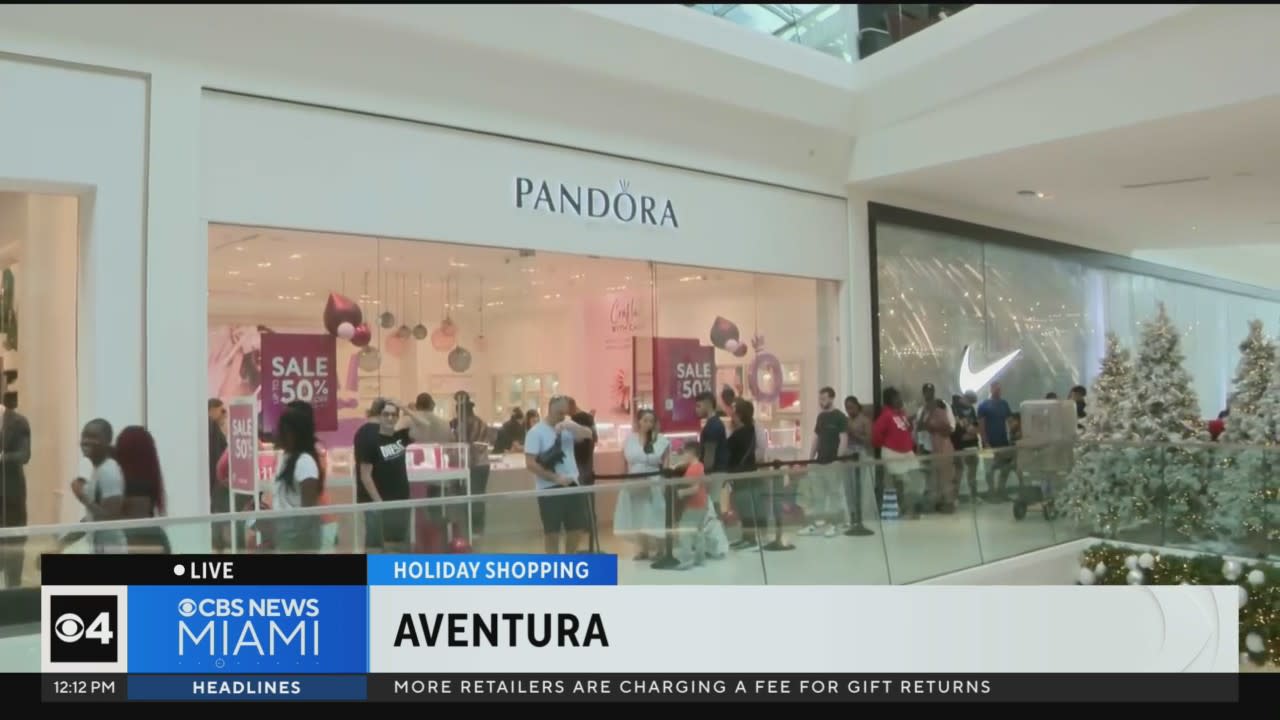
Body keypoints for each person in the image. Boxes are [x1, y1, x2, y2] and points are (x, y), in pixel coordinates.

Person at [524, 396, 594, 554]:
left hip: (572, 484)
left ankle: (568, 561)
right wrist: (555, 478)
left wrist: (571, 426)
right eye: (559, 412)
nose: (562, 415)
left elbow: (588, 434)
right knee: (552, 533)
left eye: (565, 412)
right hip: (548, 487)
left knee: (577, 528)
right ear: (550, 409)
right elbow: (530, 463)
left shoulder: (568, 426)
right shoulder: (536, 432)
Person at [354, 398, 412, 553]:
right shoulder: (368, 435)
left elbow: (422, 425)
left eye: (393, 415)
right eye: (386, 414)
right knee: (380, 546)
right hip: (377, 502)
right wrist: (380, 503)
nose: (390, 418)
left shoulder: (393, 433)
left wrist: (402, 406)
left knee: (389, 546)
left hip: (395, 500)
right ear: (380, 414)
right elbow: (365, 475)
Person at [615, 408, 670, 560]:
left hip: (654, 482)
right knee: (638, 515)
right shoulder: (629, 439)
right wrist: (623, 481)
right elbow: (624, 463)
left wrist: (664, 482)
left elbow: (665, 463)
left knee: (656, 514)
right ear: (639, 421)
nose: (647, 424)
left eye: (651, 421)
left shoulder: (660, 440)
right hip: (634, 481)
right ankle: (643, 549)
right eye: (645, 420)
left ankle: (661, 549)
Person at [71, 419, 127, 553]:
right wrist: (62, 542)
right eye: (84, 436)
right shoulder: (99, 469)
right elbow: (92, 517)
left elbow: (111, 517)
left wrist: (82, 496)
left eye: (93, 437)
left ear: (107, 442)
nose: (86, 441)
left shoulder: (109, 471)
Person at [272, 405, 323, 552]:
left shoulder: (305, 461)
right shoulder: (285, 458)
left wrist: (296, 540)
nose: (276, 434)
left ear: (292, 434)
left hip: (298, 540)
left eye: (281, 430)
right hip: (285, 535)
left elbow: (308, 510)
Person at [114, 426, 171, 553]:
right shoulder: (149, 480)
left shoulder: (127, 484)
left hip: (135, 543)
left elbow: (101, 515)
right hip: (154, 540)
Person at [800, 386, 848, 538]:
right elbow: (816, 438)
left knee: (834, 494)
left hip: (833, 461)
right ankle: (816, 523)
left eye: (825, 398)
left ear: (832, 398)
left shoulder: (840, 417)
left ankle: (835, 524)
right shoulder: (821, 417)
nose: (822, 401)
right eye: (820, 399)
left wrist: (838, 459)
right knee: (818, 495)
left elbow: (843, 439)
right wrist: (810, 458)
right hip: (820, 461)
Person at [0, 377, 31, 586]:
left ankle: (13, 599)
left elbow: (24, 455)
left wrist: (2, 458)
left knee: (13, 552)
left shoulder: (18, 422)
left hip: (9, 497)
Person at [872, 387, 921, 519]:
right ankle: (904, 509)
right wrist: (889, 445)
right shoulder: (885, 416)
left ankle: (910, 508)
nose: (900, 399)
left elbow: (906, 430)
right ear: (890, 400)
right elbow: (876, 436)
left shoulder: (902, 414)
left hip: (907, 452)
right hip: (893, 453)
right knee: (901, 483)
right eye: (897, 397)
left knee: (915, 481)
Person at [672, 441, 717, 568]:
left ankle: (686, 559)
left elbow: (694, 488)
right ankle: (700, 558)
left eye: (685, 453)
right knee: (698, 532)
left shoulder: (692, 469)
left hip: (693, 505)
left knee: (684, 531)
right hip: (702, 504)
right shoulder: (700, 466)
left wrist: (681, 492)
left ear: (691, 453)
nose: (683, 456)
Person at [726, 398, 763, 550]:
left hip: (741, 475)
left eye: (734, 413)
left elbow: (728, 453)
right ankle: (747, 537)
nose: (731, 416)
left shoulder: (738, 435)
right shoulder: (752, 431)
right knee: (746, 507)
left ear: (739, 415)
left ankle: (750, 539)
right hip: (750, 473)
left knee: (744, 507)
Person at [453, 394, 492, 539]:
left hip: (474, 465)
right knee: (476, 497)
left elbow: (478, 447)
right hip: (479, 465)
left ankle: (472, 529)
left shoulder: (460, 424)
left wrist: (465, 459)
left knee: (472, 498)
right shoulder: (479, 423)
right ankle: (475, 530)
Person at [566, 397, 599, 551]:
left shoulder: (576, 420)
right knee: (588, 495)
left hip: (580, 462)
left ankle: (585, 526)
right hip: (587, 462)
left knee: (581, 496)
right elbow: (595, 438)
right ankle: (590, 525)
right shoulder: (588, 417)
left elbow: (577, 441)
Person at [842, 395, 875, 537]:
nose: (849, 411)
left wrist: (853, 433)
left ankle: (862, 516)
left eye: (851, 407)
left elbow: (868, 440)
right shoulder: (847, 420)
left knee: (861, 486)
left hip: (860, 454)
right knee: (849, 487)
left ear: (857, 406)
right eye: (847, 408)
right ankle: (852, 515)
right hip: (849, 455)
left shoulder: (865, 421)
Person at [978, 382, 1015, 502]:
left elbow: (1010, 421)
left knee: (1006, 467)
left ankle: (1001, 489)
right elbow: (981, 426)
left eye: (1000, 389)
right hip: (989, 442)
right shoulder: (984, 406)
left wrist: (1014, 432)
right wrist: (985, 442)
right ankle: (991, 492)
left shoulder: (1004, 404)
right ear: (991, 389)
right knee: (990, 469)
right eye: (996, 389)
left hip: (1003, 441)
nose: (998, 391)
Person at [208, 398, 233, 550]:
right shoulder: (213, 430)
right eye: (222, 411)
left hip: (215, 483)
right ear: (211, 410)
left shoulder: (216, 430)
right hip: (215, 483)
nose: (225, 414)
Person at [925, 398, 956, 512]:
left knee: (946, 477)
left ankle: (949, 503)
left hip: (944, 448)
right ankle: (940, 502)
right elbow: (926, 426)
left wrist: (936, 428)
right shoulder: (931, 415)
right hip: (937, 449)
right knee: (938, 478)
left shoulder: (941, 414)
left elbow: (947, 430)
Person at [952, 391, 982, 504]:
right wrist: (967, 430)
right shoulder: (954, 408)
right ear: (964, 398)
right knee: (958, 472)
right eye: (970, 402)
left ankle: (973, 495)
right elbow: (959, 425)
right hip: (959, 444)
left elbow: (975, 426)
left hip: (972, 443)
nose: (971, 405)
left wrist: (971, 430)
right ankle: (954, 497)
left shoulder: (972, 409)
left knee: (973, 471)